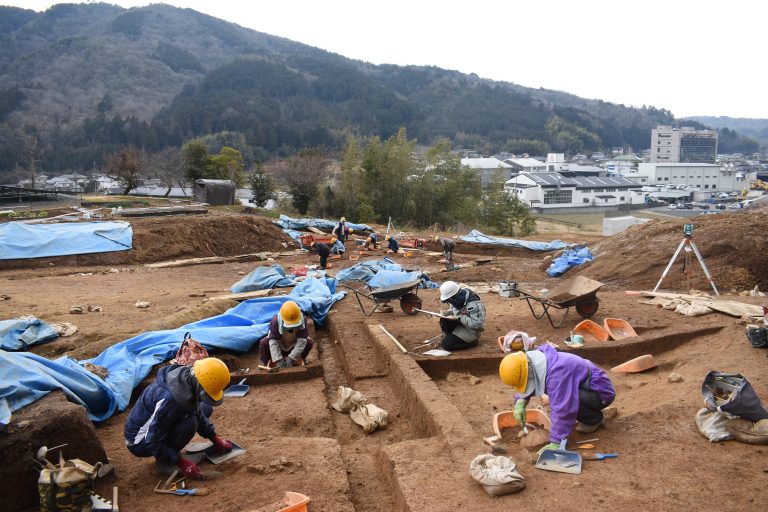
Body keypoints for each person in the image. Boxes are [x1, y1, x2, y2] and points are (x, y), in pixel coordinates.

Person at [124, 357, 233, 479]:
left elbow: (197, 411)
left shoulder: (187, 378)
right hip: (139, 442)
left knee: (204, 408)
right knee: (190, 423)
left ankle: (169, 453)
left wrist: (216, 439)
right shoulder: (171, 400)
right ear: (199, 384)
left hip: (155, 429)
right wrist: (180, 462)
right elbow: (152, 440)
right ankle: (165, 461)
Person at [498, 347, 616, 454]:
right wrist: (521, 401)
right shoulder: (532, 361)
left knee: (566, 400)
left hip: (600, 392)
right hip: (581, 383)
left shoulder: (557, 373)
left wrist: (556, 442)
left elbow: (563, 408)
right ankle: (588, 417)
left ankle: (594, 419)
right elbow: (533, 379)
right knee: (557, 394)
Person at [258, 300, 314, 368]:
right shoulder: (275, 321)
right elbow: (273, 341)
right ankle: (266, 363)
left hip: (293, 345)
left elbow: (302, 340)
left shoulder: (302, 319)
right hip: (280, 345)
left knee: (309, 342)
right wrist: (278, 359)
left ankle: (300, 358)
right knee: (264, 343)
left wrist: (292, 357)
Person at [436, 281, 485, 351]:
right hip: (462, 324)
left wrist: (459, 317)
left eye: (449, 300)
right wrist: (447, 313)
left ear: (454, 296)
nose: (450, 303)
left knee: (446, 345)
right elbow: (454, 310)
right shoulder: (457, 298)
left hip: (471, 331)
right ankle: (454, 337)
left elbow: (478, 325)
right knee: (444, 320)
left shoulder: (475, 305)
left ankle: (472, 342)